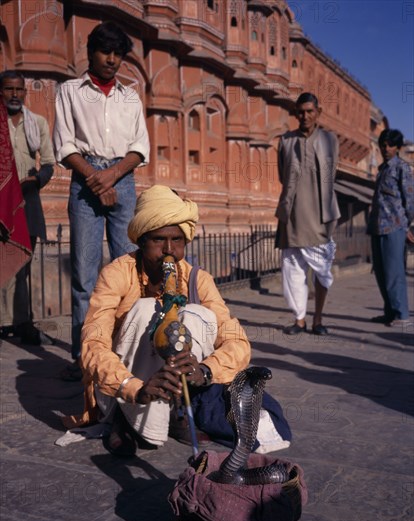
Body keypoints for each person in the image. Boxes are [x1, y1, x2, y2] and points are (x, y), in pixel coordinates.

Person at [60, 185, 292, 457]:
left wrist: (205, 371)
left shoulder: (198, 279)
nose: (168, 251)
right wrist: (135, 388)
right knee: (147, 309)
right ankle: (124, 418)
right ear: (141, 240)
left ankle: (180, 409)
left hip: (181, 384)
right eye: (158, 240)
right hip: (127, 386)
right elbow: (92, 343)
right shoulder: (117, 274)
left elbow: (237, 341)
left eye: (177, 241)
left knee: (198, 316)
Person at [53, 22, 150, 380]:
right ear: (90, 52)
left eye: (118, 55)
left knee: (128, 272)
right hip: (85, 181)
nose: (112, 60)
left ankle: (126, 352)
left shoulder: (130, 96)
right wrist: (96, 179)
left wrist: (111, 176)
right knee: (84, 274)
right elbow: (64, 144)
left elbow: (140, 147)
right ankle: (84, 357)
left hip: (122, 181)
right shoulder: (70, 91)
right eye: (105, 52)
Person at [275, 92, 340, 336]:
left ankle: (318, 319)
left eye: (310, 111)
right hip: (292, 217)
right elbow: (284, 175)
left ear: (318, 112)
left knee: (322, 271)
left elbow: (331, 175)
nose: (305, 116)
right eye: (301, 111)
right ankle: (300, 319)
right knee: (292, 271)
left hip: (321, 218)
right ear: (296, 113)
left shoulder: (329, 139)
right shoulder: (286, 140)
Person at [0, 70, 55, 345]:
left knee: (22, 264)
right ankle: (2, 323)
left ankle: (23, 322)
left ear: (25, 92)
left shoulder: (38, 123)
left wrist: (35, 179)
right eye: (9, 89)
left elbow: (48, 163)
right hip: (0, 202)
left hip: (27, 200)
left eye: (19, 90)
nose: (14, 95)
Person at [367, 129, 414, 326]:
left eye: (390, 145)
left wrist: (408, 225)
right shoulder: (382, 169)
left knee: (394, 273)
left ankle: (402, 314)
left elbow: (410, 200)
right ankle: (389, 312)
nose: (386, 148)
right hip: (377, 227)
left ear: (398, 148)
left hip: (394, 228)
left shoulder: (402, 168)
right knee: (381, 272)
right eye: (383, 144)